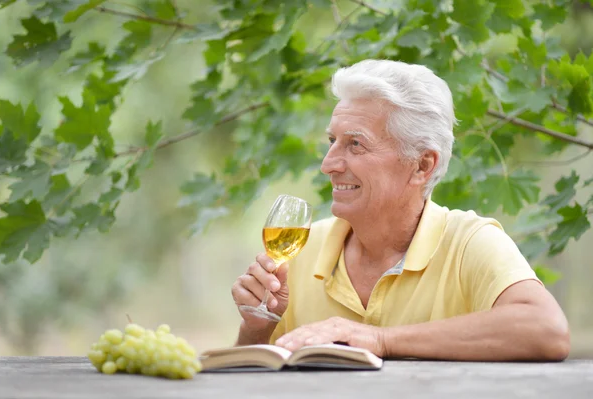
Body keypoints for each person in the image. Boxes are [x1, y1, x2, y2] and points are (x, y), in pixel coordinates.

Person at [231, 59, 570, 361]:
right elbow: (249, 384)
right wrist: (257, 330)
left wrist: (380, 340)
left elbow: (546, 329)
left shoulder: (469, 242)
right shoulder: (301, 250)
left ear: (422, 165)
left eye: (355, 144)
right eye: (331, 141)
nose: (328, 164)